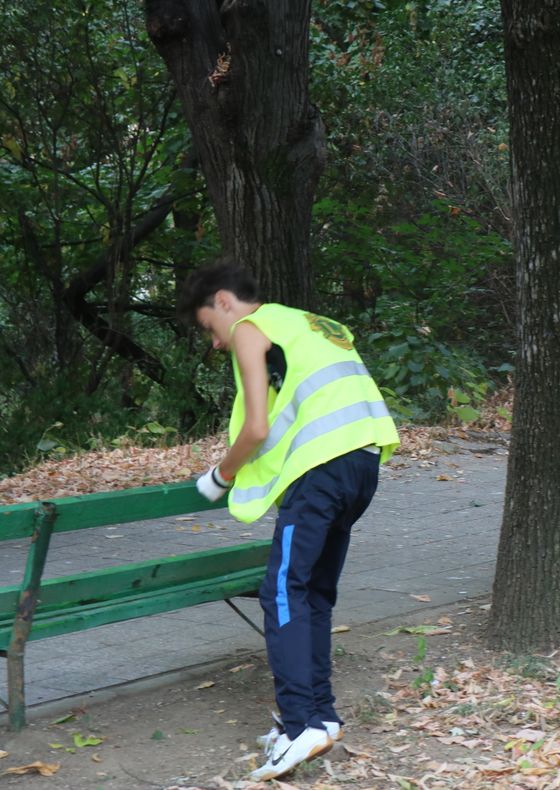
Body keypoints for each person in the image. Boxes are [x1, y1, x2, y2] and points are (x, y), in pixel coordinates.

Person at [179, 261, 400, 781]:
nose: (216, 342)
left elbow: (256, 427)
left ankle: (301, 725)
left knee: (280, 592)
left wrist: (221, 476)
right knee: (313, 593)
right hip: (363, 463)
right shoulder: (310, 323)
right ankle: (321, 718)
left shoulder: (251, 329)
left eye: (209, 327)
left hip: (320, 471)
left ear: (224, 302)